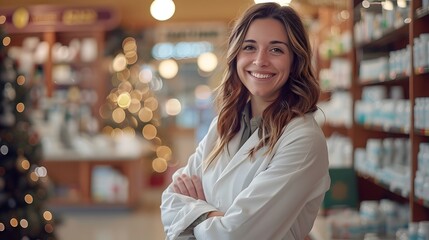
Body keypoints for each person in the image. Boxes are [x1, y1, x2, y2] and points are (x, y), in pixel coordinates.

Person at [160, 2, 330, 240]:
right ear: (236, 55)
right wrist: (214, 217)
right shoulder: (224, 124)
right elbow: (170, 201)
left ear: (295, 61)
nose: (260, 60)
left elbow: (237, 235)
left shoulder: (302, 140)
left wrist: (195, 213)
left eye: (276, 50)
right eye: (249, 47)